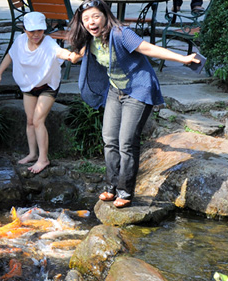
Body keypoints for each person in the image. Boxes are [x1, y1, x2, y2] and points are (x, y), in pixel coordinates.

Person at [67, 0, 200, 208]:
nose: (91, 22)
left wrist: (182, 59)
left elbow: (148, 48)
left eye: (95, 16)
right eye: (86, 19)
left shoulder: (121, 33)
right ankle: (111, 188)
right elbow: (78, 55)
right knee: (109, 139)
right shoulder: (88, 40)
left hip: (138, 90)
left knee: (127, 142)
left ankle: (125, 191)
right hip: (115, 90)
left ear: (105, 16)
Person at [0, 12, 81, 174]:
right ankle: (32, 154)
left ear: (44, 30)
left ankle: (43, 159)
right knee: (30, 121)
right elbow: (10, 56)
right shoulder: (19, 41)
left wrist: (71, 56)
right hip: (29, 85)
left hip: (47, 85)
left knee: (38, 120)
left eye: (39, 30)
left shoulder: (48, 43)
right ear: (25, 30)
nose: (35, 34)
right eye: (31, 31)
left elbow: (60, 53)